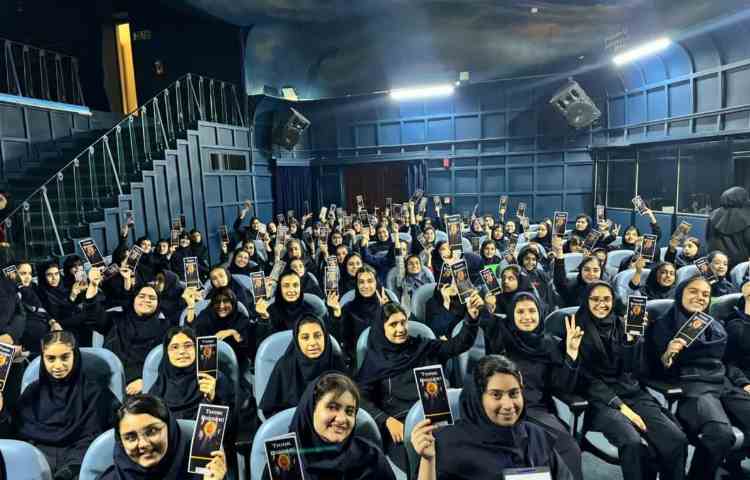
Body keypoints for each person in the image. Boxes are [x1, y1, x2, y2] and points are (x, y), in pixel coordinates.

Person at [577, 281, 688, 480]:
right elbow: (587, 379)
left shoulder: (623, 324)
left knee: (676, 438)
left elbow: (634, 371)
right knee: (633, 442)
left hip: (632, 393)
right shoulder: (576, 329)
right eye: (595, 299)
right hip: (599, 401)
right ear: (586, 301)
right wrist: (622, 408)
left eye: (606, 299)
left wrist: (631, 340)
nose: (601, 304)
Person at [357, 301, 481, 471]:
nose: (401, 329)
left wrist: (471, 319)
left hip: (439, 418)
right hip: (403, 426)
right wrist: (386, 420)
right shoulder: (375, 361)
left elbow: (458, 344)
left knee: (464, 462)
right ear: (382, 328)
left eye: (403, 322)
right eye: (393, 324)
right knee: (425, 469)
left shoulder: (423, 346)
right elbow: (360, 398)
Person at [410, 355, 573, 480]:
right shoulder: (446, 444)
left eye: (514, 393)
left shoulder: (536, 437)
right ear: (477, 398)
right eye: (496, 395)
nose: (508, 404)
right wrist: (428, 460)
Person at [650, 275, 750, 479]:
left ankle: (733, 464)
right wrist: (667, 355)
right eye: (693, 291)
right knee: (721, 435)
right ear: (680, 294)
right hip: (693, 386)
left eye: (705, 294)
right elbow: (652, 370)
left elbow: (726, 362)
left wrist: (743, 383)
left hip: (723, 383)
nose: (700, 297)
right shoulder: (663, 325)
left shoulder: (715, 325)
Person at [482, 292, 583, 479]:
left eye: (531, 311)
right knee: (519, 454)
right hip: (502, 411)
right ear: (512, 315)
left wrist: (571, 354)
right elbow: (482, 318)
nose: (527, 317)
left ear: (540, 313)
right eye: (520, 312)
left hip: (536, 411)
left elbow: (562, 385)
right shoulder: (501, 337)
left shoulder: (549, 344)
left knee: (569, 448)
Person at [0, 331, 119, 480]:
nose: (58, 365)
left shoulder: (96, 393)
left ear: (75, 356)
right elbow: (12, 435)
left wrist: (68, 471)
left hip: (80, 464)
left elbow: (104, 439)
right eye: (50, 358)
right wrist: (1, 413)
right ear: (43, 359)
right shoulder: (32, 392)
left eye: (65, 357)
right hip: (35, 464)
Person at [262, 372, 396, 480]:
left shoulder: (372, 458)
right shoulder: (283, 459)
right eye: (332, 407)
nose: (342, 419)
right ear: (311, 410)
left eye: (350, 411)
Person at [98, 394, 226, 480]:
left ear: (170, 430)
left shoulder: (204, 474)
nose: (143, 444)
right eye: (130, 437)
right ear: (121, 442)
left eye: (152, 431)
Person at [88, 283, 170, 395]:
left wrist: (146, 380)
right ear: (134, 299)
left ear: (158, 303)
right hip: (106, 381)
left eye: (152, 298)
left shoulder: (164, 327)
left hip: (140, 387)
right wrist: (93, 286)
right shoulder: (116, 318)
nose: (147, 300)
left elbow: (167, 362)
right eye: (141, 296)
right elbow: (93, 315)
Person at [259, 316, 346, 418]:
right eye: (305, 337)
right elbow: (269, 411)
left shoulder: (336, 362)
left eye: (317, 336)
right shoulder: (284, 366)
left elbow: (348, 401)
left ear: (325, 337)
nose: (312, 343)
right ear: (297, 340)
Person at [148, 327, 234, 419]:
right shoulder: (160, 384)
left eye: (188, 346)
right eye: (175, 347)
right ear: (167, 353)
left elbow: (228, 422)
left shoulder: (215, 379)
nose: (182, 352)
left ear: (196, 349)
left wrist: (212, 399)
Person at [327, 265, 389, 360]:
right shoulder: (348, 308)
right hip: (357, 359)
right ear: (357, 284)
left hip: (385, 356)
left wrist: (386, 311)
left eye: (370, 281)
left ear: (376, 283)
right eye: (361, 282)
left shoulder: (386, 305)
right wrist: (336, 315)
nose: (366, 286)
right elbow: (338, 339)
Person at [189, 287, 255, 370]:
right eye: (217, 302)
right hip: (207, 365)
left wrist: (233, 332)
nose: (221, 306)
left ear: (233, 303)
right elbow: (192, 335)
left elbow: (249, 350)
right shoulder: (205, 316)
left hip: (237, 364)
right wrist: (191, 307)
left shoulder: (241, 319)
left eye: (226, 301)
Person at [706, 186, 750, 269]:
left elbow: (709, 239)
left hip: (717, 263)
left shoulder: (713, 214)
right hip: (741, 265)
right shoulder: (747, 216)